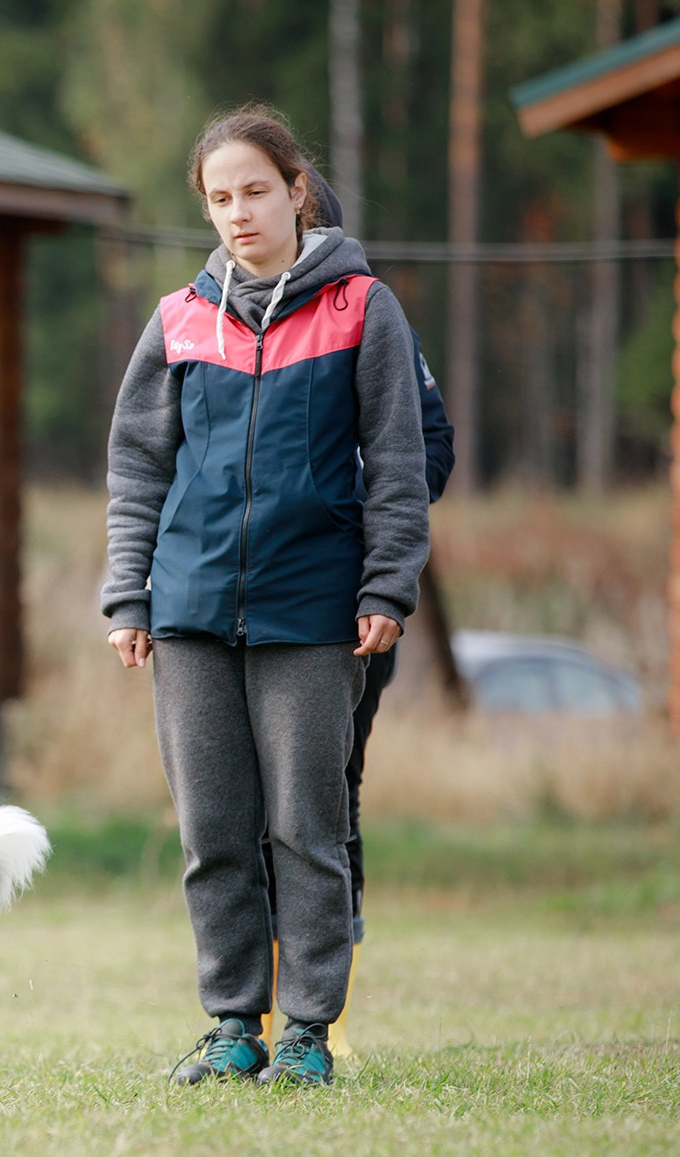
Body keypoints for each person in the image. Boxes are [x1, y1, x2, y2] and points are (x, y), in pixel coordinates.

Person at [101, 105, 430, 1087]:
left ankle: (307, 1031)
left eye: (254, 190)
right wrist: (127, 595)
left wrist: (387, 583)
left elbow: (399, 460)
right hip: (189, 611)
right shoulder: (178, 318)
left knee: (305, 829)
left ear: (296, 191)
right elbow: (137, 464)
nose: (238, 212)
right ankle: (233, 1023)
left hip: (315, 611)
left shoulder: (362, 308)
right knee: (212, 833)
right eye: (218, 198)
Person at [266, 165, 456, 956]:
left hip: (349, 596)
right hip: (245, 592)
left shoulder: (374, 318)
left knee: (327, 783)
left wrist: (348, 512)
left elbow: (430, 448)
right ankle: (251, 976)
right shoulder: (222, 318)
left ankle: (326, 963)